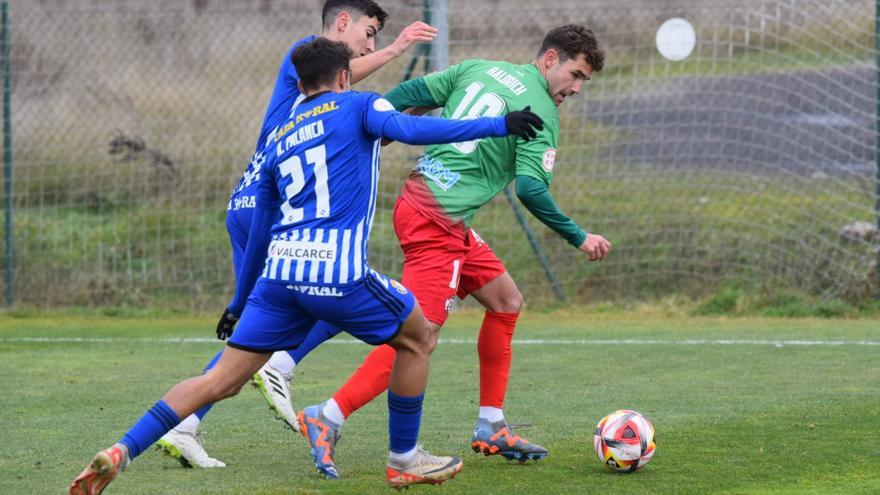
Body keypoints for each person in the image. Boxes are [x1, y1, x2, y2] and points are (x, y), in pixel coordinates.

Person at [68, 38, 544, 494]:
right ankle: (405, 460)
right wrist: (498, 126)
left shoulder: (281, 135)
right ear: (343, 75)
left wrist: (237, 302)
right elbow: (413, 129)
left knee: (220, 380)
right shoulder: (360, 105)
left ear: (299, 84)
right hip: (337, 274)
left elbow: (260, 230)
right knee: (418, 336)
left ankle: (122, 449)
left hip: (277, 280)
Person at [294, 24, 612, 478]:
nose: (577, 88)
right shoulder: (541, 108)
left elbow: (409, 91)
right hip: (436, 223)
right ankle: (327, 416)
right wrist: (579, 235)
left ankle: (491, 424)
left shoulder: (480, 68)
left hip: (429, 209)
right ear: (549, 60)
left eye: (584, 81)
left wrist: (388, 125)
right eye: (575, 75)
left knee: (505, 301)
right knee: (416, 338)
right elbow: (531, 190)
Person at [156, 0, 440, 469]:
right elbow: (345, 80)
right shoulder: (304, 54)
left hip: (251, 205)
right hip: (270, 211)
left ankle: (186, 423)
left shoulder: (322, 93)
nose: (370, 44)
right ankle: (280, 368)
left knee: (269, 325)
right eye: (367, 33)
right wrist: (395, 50)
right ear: (342, 22)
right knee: (331, 295)